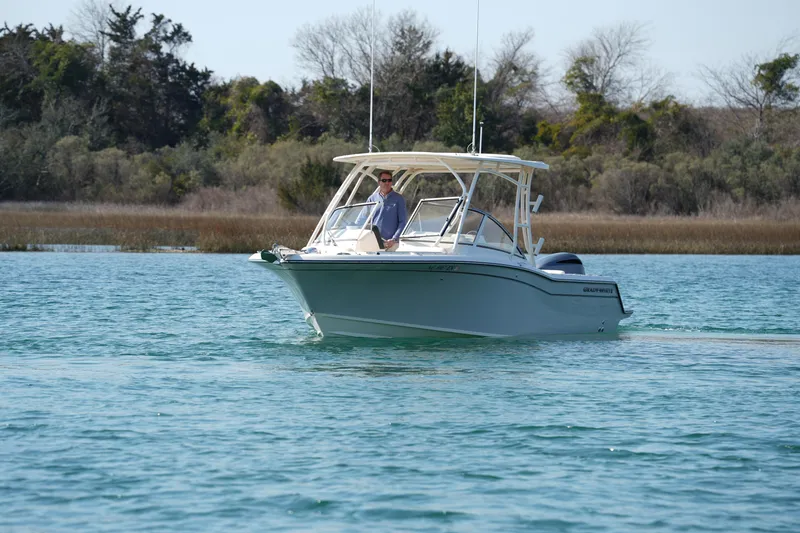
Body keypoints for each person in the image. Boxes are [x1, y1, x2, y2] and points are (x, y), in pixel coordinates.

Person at [366, 171, 407, 250]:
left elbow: (403, 222)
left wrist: (394, 239)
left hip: (392, 244)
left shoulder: (399, 199)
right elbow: (363, 218)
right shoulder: (372, 199)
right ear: (379, 182)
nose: (387, 183)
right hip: (374, 241)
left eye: (389, 180)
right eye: (384, 180)